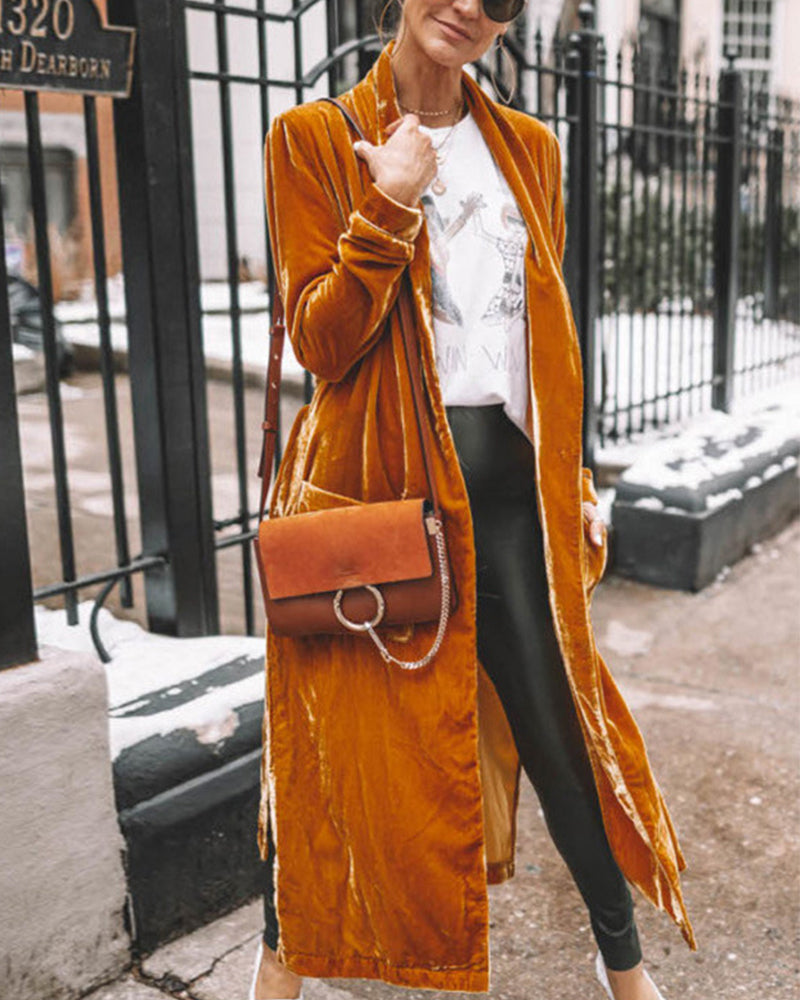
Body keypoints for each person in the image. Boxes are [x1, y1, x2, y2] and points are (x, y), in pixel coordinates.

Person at [252, 1, 697, 998]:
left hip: (504, 500)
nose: (466, 7)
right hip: (373, 493)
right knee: (331, 751)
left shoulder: (528, 149)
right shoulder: (316, 138)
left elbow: (535, 338)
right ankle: (275, 972)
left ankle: (621, 966)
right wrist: (388, 207)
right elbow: (320, 345)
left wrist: (568, 479)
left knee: (559, 732)